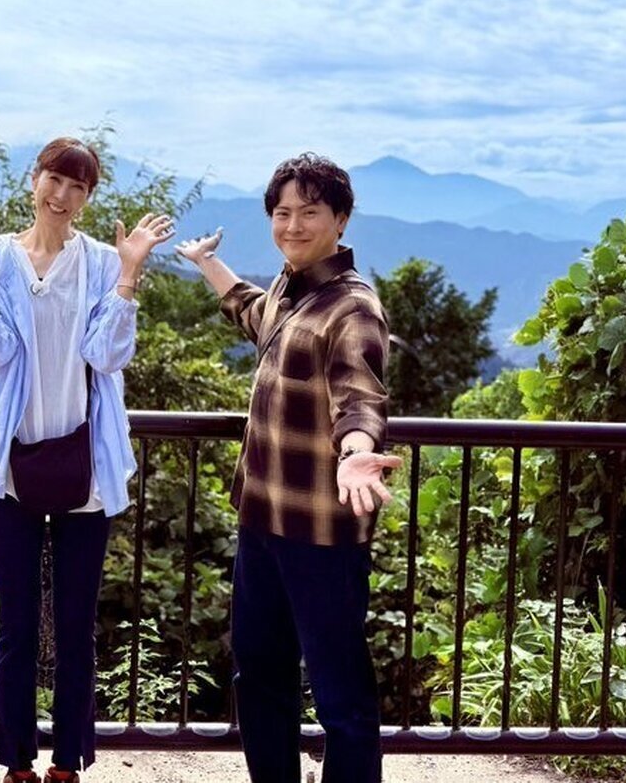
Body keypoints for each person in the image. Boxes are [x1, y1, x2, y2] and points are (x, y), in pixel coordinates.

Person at [0, 138, 172, 783]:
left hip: (85, 469)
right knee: (16, 626)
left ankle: (68, 760)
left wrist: (129, 274)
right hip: (11, 467)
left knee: (75, 625)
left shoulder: (101, 262)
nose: (61, 196)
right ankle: (16, 761)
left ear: (88, 198)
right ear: (34, 179)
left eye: (77, 186)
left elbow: (107, 355)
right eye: (54, 179)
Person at [176, 153, 401, 783]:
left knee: (338, 690)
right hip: (263, 519)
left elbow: (360, 394)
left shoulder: (353, 308)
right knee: (259, 672)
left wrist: (355, 453)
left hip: (322, 530)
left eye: (309, 212)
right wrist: (208, 264)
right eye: (282, 213)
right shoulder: (289, 288)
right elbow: (254, 313)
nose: (293, 225)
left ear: (341, 220)